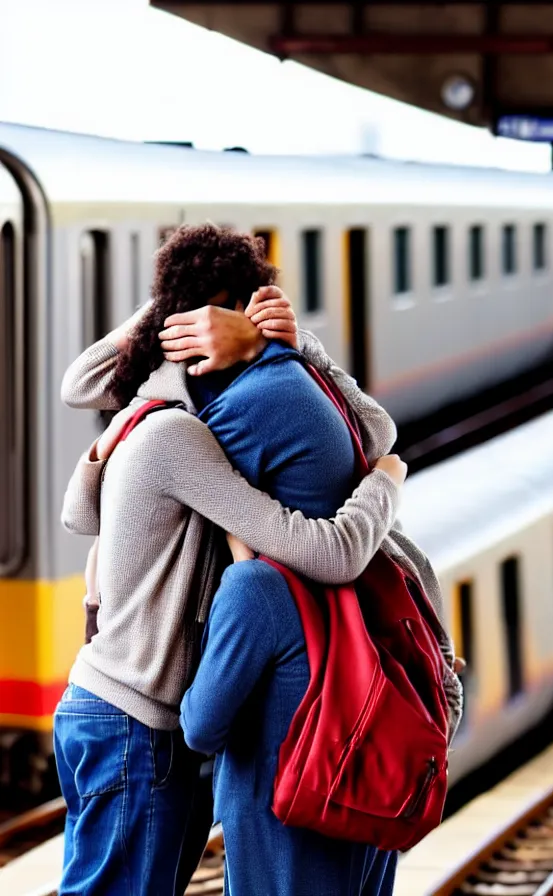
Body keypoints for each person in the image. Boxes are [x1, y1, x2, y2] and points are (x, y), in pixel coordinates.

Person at [55, 225, 428, 896]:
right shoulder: (186, 429)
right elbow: (340, 534)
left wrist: (282, 339)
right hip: (134, 717)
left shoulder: (172, 418)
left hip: (123, 710)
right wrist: (386, 483)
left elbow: (79, 511)